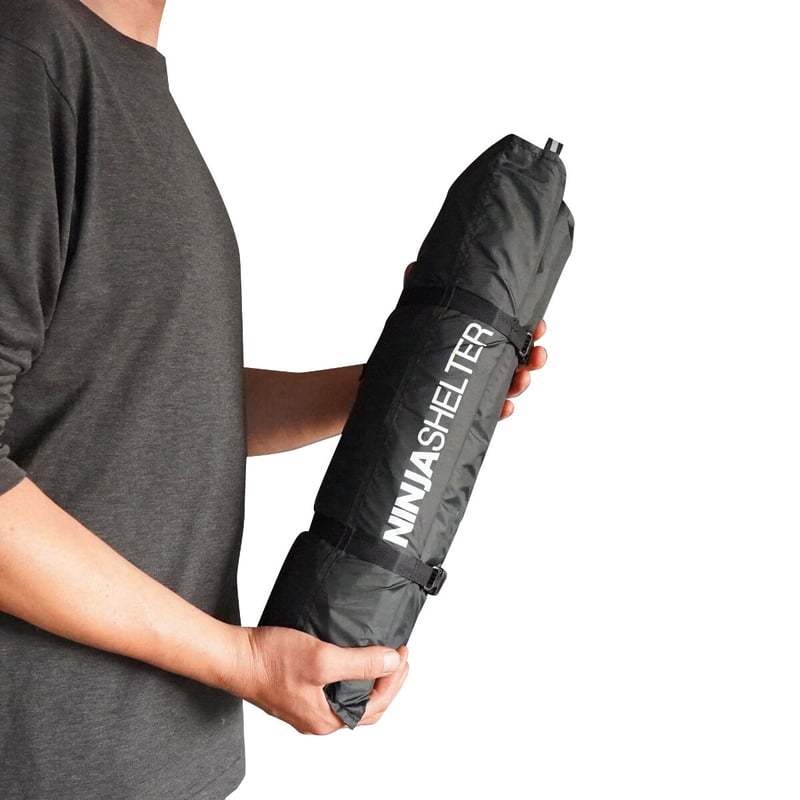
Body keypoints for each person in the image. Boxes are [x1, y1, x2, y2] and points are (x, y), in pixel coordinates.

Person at [0, 0, 548, 797]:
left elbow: (163, 400)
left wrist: (411, 384)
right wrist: (241, 659)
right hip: (48, 763)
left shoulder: (126, 79)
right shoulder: (29, 58)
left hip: (167, 758)